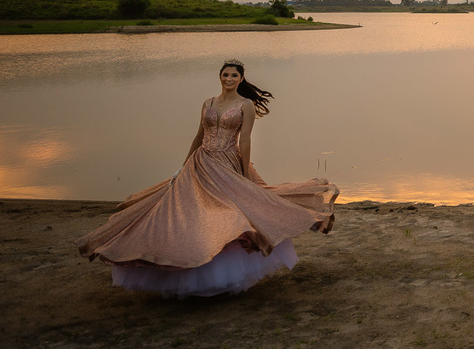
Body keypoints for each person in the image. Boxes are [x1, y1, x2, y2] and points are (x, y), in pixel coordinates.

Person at [75, 59, 338, 297]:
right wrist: (184, 164)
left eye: (234, 76)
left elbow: (244, 140)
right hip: (201, 161)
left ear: (241, 79)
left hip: (227, 162)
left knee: (231, 212)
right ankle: (188, 262)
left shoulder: (245, 105)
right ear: (219, 76)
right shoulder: (208, 103)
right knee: (191, 211)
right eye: (225, 75)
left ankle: (223, 274)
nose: (229, 79)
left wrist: (244, 172)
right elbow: (198, 135)